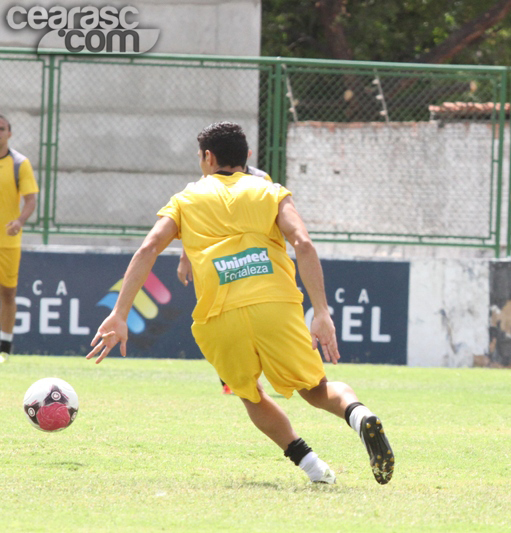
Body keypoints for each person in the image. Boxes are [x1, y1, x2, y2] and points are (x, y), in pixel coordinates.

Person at [87, 122, 395, 485]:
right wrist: (322, 312)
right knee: (316, 390)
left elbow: (149, 248)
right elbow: (304, 245)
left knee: (251, 394)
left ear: (207, 157)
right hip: (275, 306)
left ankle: (314, 469)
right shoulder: (271, 191)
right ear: (247, 156)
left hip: (220, 315)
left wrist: (120, 313)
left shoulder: (186, 199)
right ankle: (360, 417)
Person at [175, 159, 268, 395]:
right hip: (220, 263)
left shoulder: (261, 181)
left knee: (254, 317)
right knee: (223, 319)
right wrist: (185, 256)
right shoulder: (207, 182)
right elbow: (194, 218)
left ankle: (248, 374)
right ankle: (230, 378)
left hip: (251, 261)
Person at [0, 114, 39, 364]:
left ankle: (4, 347)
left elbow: (31, 199)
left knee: (8, 294)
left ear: (9, 133)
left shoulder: (19, 163)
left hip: (8, 241)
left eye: (1, 128)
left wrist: (19, 221)